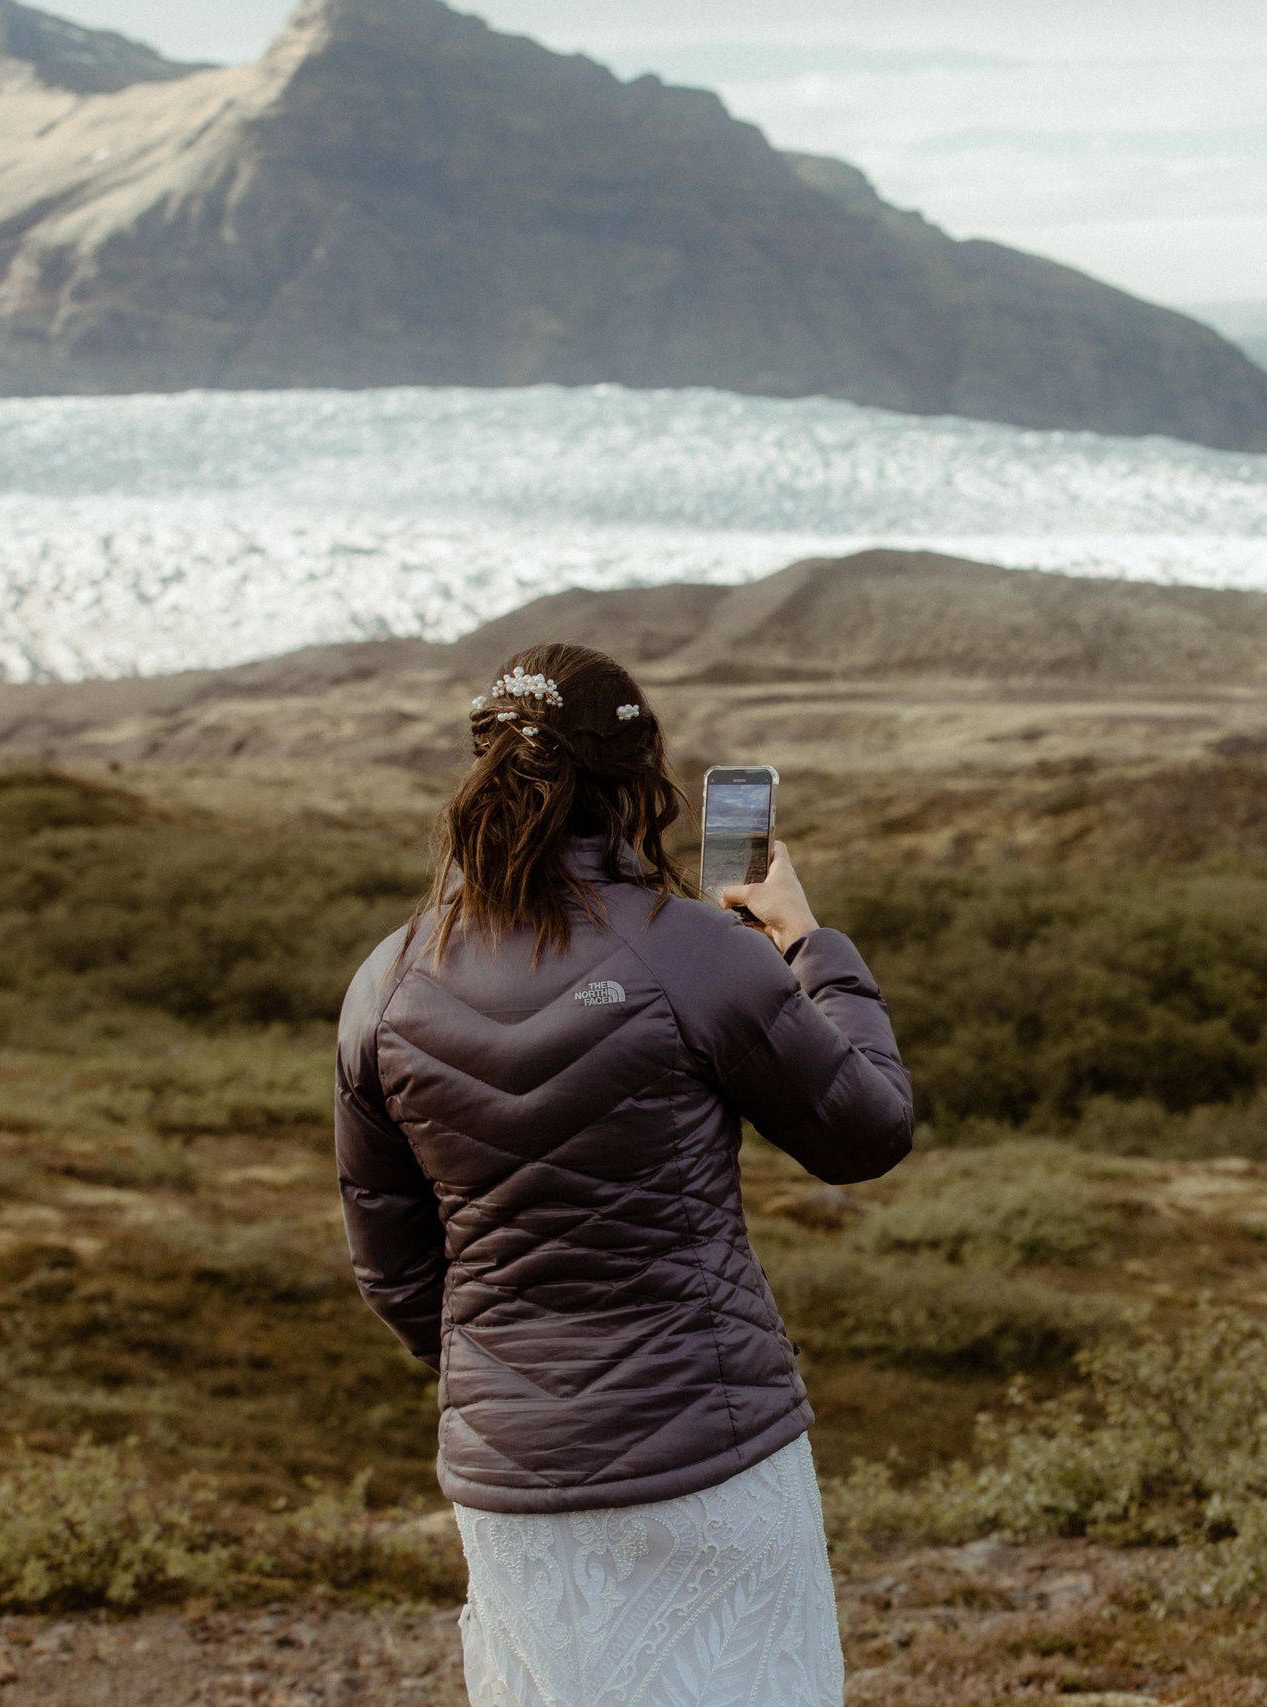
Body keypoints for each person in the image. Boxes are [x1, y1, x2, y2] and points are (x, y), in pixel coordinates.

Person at [334, 641, 913, 1707]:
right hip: (713, 1449)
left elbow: (394, 1269)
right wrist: (807, 941)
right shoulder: (695, 949)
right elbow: (867, 1131)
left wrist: (514, 1379)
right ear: (634, 781)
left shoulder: (387, 981)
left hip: (508, 1478)